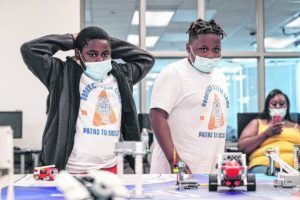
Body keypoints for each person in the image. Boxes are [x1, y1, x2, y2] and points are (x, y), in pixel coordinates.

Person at [20, 26, 155, 173]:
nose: (99, 59)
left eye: (105, 54)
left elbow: (146, 59)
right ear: (78, 53)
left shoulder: (122, 75)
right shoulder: (61, 74)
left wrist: (107, 42)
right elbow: (29, 50)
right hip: (69, 170)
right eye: (92, 54)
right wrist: (71, 39)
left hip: (112, 167)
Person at [149, 18, 229, 174]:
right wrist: (175, 162)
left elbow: (220, 125)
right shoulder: (174, 73)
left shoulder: (221, 77)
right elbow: (156, 116)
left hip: (210, 170)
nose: (211, 55)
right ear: (188, 48)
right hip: (179, 171)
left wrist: (224, 159)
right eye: (203, 49)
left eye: (216, 49)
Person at [238, 89, 300, 173]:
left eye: (282, 104)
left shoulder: (296, 127)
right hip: (264, 165)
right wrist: (266, 134)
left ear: (287, 106)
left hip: (294, 167)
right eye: (274, 104)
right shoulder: (257, 123)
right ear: (268, 106)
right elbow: (242, 147)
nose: (278, 107)